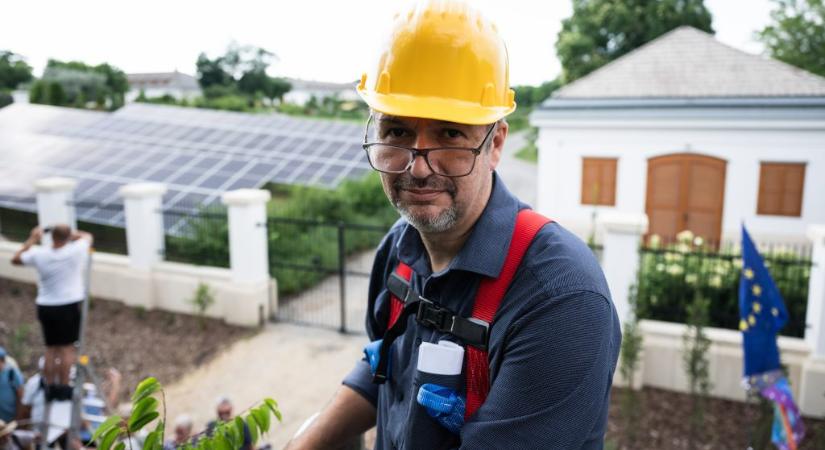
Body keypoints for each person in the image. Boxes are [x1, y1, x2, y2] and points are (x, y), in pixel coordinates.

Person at [284, 1, 621, 449]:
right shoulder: (400, 252)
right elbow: (382, 366)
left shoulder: (560, 297)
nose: (419, 169)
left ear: (495, 143)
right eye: (398, 132)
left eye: (450, 134)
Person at [11, 225, 93, 400]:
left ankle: (48, 385)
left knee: (50, 349)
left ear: (51, 237)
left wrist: (33, 239)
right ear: (68, 236)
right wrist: (73, 234)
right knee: (67, 349)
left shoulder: (40, 253)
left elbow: (16, 259)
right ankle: (63, 387)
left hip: (46, 306)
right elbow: (88, 236)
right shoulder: (75, 250)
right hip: (68, 306)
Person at [0, 348, 23, 425]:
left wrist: (18, 419)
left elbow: (21, 395)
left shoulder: (12, 373)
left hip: (11, 420)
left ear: (2, 361)